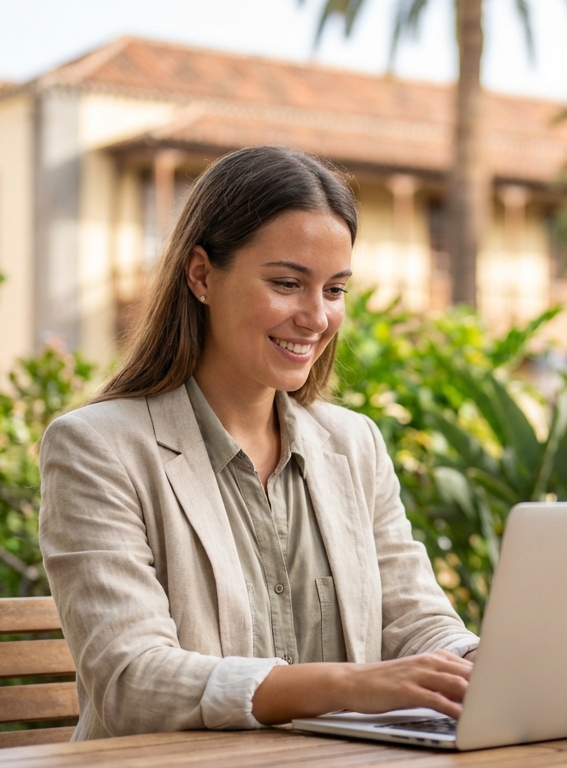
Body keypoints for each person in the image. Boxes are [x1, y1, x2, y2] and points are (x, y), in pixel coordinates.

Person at [39, 146, 478, 740]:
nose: (317, 317)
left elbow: (415, 618)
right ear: (201, 275)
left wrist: (482, 667)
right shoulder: (96, 448)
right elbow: (132, 680)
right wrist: (348, 684)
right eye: (287, 283)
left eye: (334, 290)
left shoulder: (355, 444)